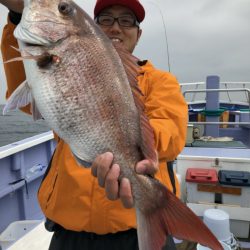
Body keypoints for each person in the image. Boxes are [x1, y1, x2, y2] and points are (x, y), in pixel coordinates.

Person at [0, 0, 188, 249]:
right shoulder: (62, 58)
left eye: (127, 20)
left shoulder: (159, 81)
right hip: (70, 232)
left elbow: (172, 130)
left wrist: (140, 154)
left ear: (138, 33)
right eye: (107, 20)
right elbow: (27, 95)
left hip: (132, 231)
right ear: (96, 29)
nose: (116, 28)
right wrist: (17, 15)